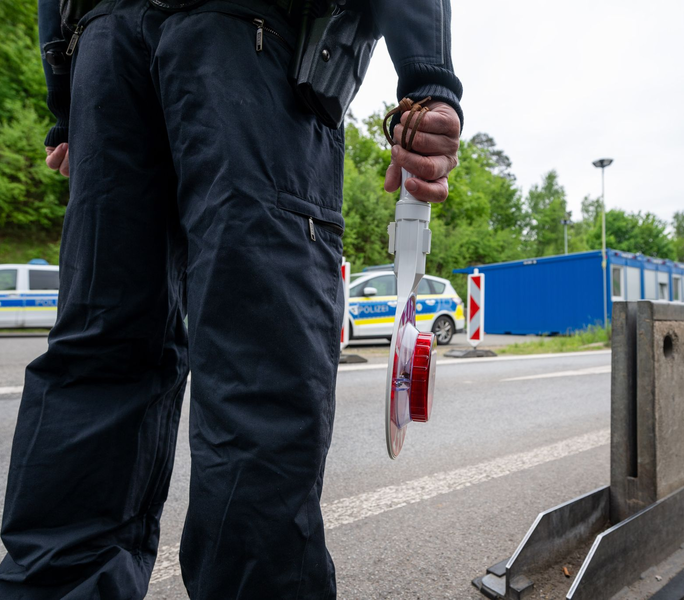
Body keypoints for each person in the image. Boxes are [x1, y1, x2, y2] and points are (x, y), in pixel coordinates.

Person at [0, 0, 462, 598]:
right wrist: (428, 78)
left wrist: (66, 98)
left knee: (99, 354)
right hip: (249, 38)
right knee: (258, 360)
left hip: (103, 45)